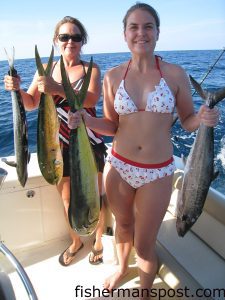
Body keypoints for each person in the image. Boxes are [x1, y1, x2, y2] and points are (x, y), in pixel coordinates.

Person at [67, 3, 220, 298]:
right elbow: (112, 125)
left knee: (145, 242)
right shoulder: (113, 76)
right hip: (119, 166)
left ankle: (146, 290)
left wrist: (201, 118)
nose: (141, 33)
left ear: (158, 32)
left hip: (157, 171)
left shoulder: (175, 74)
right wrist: (86, 119)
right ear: (124, 34)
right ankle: (122, 268)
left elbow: (187, 121)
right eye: (134, 27)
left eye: (148, 26)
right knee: (123, 225)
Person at [4, 16, 107, 266]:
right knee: (67, 198)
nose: (70, 41)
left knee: (96, 196)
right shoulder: (45, 72)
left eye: (76, 37)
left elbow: (91, 99)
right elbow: (30, 104)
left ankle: (99, 241)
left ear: (83, 41)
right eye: (64, 37)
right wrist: (16, 88)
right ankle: (76, 241)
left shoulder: (89, 69)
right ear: (56, 40)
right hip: (57, 146)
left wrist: (57, 88)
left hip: (88, 142)